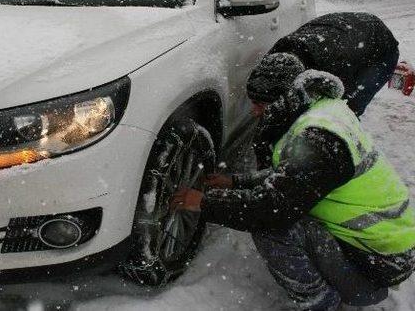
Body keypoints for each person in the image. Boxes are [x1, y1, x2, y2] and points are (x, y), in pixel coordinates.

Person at [172, 53, 415, 310]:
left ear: (283, 101)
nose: (255, 112)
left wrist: (203, 202)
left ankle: (320, 301)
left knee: (271, 226)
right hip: (385, 244)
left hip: (379, 262)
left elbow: (270, 210)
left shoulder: (318, 140)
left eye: (260, 104)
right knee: (279, 209)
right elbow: (295, 179)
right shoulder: (321, 110)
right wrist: (235, 182)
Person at [268, 12, 399, 116]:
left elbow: (338, 94)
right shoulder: (277, 52)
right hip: (348, 31)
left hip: (382, 51)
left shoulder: (334, 66)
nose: (254, 111)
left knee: (345, 108)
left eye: (258, 104)